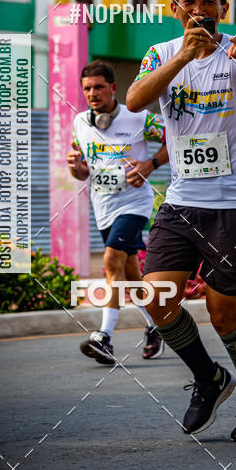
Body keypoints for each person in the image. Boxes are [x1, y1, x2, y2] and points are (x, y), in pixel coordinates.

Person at [126, 0, 236, 441]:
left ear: (224, 9)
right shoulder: (161, 54)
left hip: (235, 202)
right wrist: (183, 59)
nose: (199, 9)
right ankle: (208, 378)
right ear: (175, 10)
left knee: (224, 314)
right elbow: (135, 100)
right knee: (155, 297)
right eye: (188, 1)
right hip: (182, 200)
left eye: (209, 1)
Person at [68, 60, 168, 364]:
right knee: (129, 274)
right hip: (104, 207)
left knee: (111, 260)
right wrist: (77, 168)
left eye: (99, 86)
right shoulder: (80, 124)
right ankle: (156, 328)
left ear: (113, 88)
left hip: (135, 204)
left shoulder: (139, 118)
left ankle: (104, 338)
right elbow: (82, 172)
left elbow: (175, 142)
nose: (92, 93)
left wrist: (150, 165)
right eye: (87, 88)